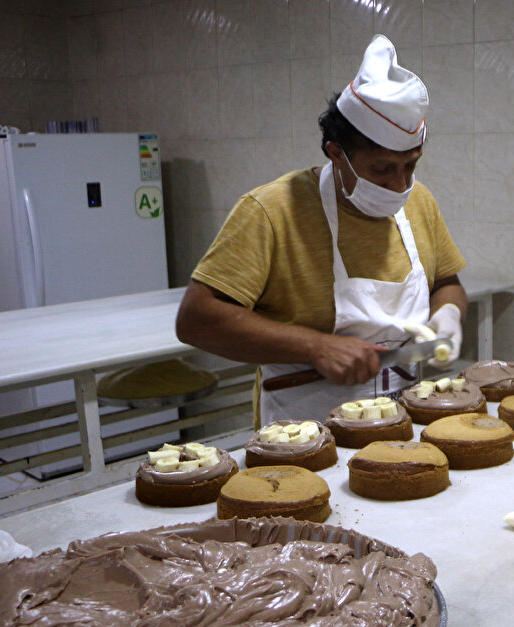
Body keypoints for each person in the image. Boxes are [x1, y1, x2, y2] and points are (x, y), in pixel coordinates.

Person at [176, 35, 467, 426]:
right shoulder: (271, 211)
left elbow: (446, 282)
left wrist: (447, 314)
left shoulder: (419, 203)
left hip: (402, 420)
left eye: (410, 166)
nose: (400, 185)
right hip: (304, 429)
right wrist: (315, 347)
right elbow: (196, 319)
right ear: (335, 152)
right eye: (381, 169)